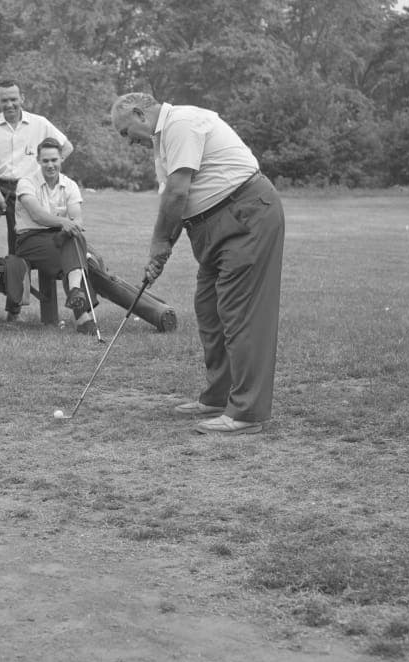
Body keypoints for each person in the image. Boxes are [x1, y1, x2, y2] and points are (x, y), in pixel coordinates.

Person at [110, 91, 285, 435]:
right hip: (213, 226)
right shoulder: (163, 143)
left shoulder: (182, 123)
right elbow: (176, 203)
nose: (129, 142)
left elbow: (178, 192)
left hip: (245, 215)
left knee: (240, 313)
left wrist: (159, 243)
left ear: (139, 114)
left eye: (125, 132)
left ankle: (249, 413)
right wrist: (162, 252)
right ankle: (220, 396)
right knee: (209, 308)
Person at [1, 138, 96, 332]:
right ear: (38, 160)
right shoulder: (26, 183)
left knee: (75, 239)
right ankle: (82, 316)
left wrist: (70, 227)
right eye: (45, 161)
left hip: (59, 236)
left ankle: (77, 295)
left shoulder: (69, 185)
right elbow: (37, 215)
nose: (50, 165)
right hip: (30, 239)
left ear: (62, 159)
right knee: (75, 254)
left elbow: (77, 220)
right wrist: (65, 223)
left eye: (54, 160)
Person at [0, 79, 74, 256]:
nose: (9, 104)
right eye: (4, 100)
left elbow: (67, 147)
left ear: (22, 98)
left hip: (28, 187)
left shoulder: (40, 123)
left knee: (18, 239)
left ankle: (12, 279)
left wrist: (49, 168)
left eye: (13, 99)